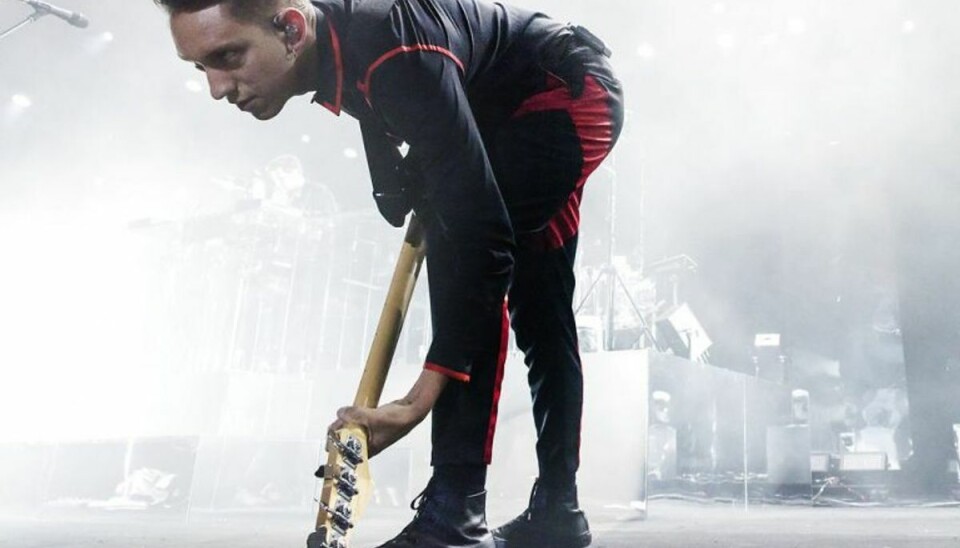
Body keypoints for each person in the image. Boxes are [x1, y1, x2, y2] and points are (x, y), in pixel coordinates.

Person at [154, 0, 623, 546]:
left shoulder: (393, 50)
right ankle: (558, 516)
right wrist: (400, 181)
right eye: (200, 68)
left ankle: (455, 516)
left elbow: (483, 241)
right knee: (540, 308)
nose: (217, 87)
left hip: (562, 92)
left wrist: (413, 403)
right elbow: (384, 101)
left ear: (290, 27)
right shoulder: (343, 40)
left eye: (227, 56)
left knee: (468, 252)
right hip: (492, 107)